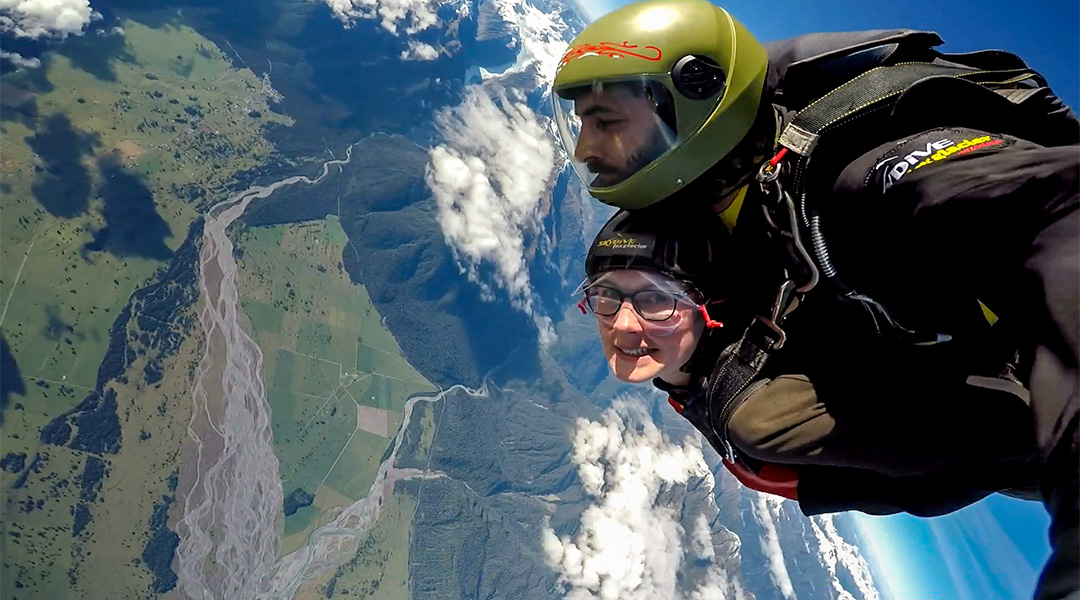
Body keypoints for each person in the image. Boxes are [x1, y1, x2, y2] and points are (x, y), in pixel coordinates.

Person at [554, 1, 1079, 598]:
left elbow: (1057, 217)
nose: (585, 150)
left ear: (692, 99)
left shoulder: (861, 182)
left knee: (756, 422)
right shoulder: (718, 192)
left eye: (604, 120)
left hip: (1046, 383)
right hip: (940, 379)